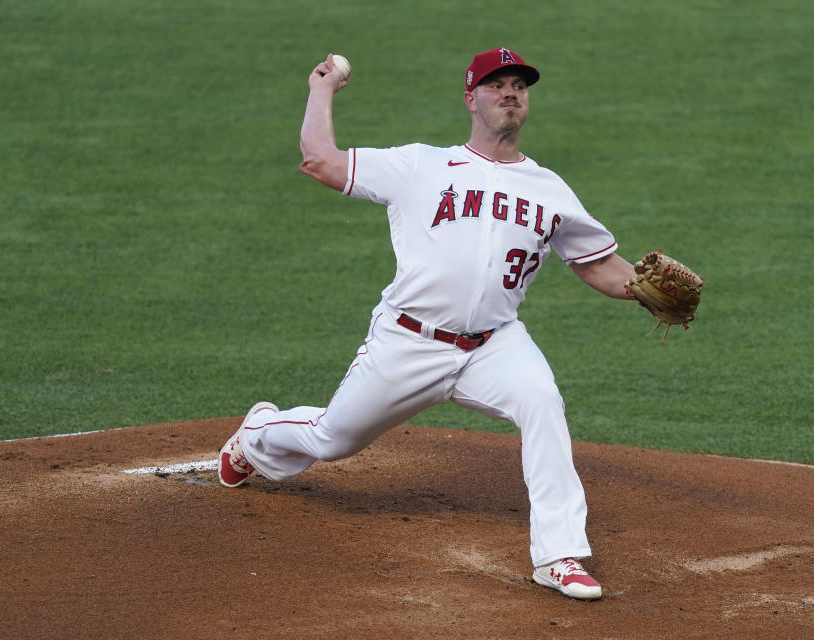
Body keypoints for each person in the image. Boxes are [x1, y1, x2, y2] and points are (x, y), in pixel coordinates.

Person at [218, 47, 643, 601]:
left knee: (542, 401)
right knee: (333, 438)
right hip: (407, 342)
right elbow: (321, 160)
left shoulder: (549, 188)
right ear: (471, 98)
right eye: (497, 85)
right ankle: (257, 437)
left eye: (519, 85)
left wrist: (647, 292)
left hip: (495, 344)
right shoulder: (420, 165)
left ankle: (559, 556)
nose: (510, 92)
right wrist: (321, 89)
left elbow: (600, 266)